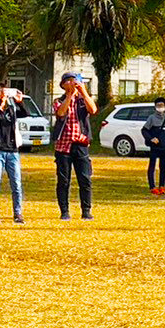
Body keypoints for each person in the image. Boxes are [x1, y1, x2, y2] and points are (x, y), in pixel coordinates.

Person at [52, 73, 97, 220]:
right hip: (63, 145)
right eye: (68, 81)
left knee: (85, 179)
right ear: (63, 84)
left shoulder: (82, 100)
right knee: (64, 180)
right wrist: (69, 96)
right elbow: (61, 113)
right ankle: (64, 211)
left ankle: (86, 210)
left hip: (80, 143)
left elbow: (93, 110)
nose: (72, 83)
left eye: (74, 81)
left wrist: (83, 92)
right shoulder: (59, 100)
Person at [0, 84, 27, 223]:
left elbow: (25, 114)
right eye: (0, 92)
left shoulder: (11, 109)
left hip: (12, 151)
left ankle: (18, 213)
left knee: (16, 184)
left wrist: (20, 102)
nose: (3, 94)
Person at [142, 96, 165, 195]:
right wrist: (151, 138)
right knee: (152, 166)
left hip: (164, 147)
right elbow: (144, 130)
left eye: (162, 105)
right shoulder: (151, 118)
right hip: (154, 147)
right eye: (158, 105)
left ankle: (162, 186)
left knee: (163, 167)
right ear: (155, 107)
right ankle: (152, 186)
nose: (160, 107)